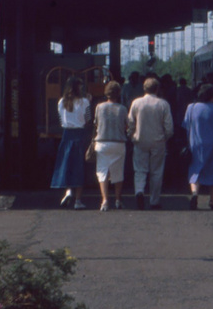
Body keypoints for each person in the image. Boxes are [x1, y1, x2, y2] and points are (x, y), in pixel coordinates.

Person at [127, 76, 175, 209]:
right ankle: (154, 201)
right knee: (156, 171)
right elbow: (169, 126)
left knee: (140, 169)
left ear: (144, 88)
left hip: (140, 140)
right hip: (158, 141)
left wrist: (132, 135)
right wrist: (165, 137)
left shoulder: (136, 103)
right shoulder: (163, 104)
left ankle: (139, 191)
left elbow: (130, 122)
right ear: (157, 89)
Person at [183, 83, 213, 210]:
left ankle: (194, 194)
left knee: (195, 169)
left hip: (196, 144)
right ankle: (212, 200)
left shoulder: (190, 108)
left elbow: (186, 125)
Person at [51, 77, 91, 208]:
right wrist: (89, 101)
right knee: (79, 167)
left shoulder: (61, 102)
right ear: (77, 88)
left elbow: (60, 119)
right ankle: (78, 201)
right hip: (79, 135)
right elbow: (87, 119)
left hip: (66, 135)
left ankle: (68, 191)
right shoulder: (84, 102)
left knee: (67, 164)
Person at [92, 81, 130, 210]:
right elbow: (127, 126)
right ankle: (118, 199)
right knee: (118, 172)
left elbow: (96, 123)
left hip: (102, 142)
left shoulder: (99, 107)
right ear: (118, 93)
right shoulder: (123, 109)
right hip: (118, 142)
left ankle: (105, 200)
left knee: (102, 171)